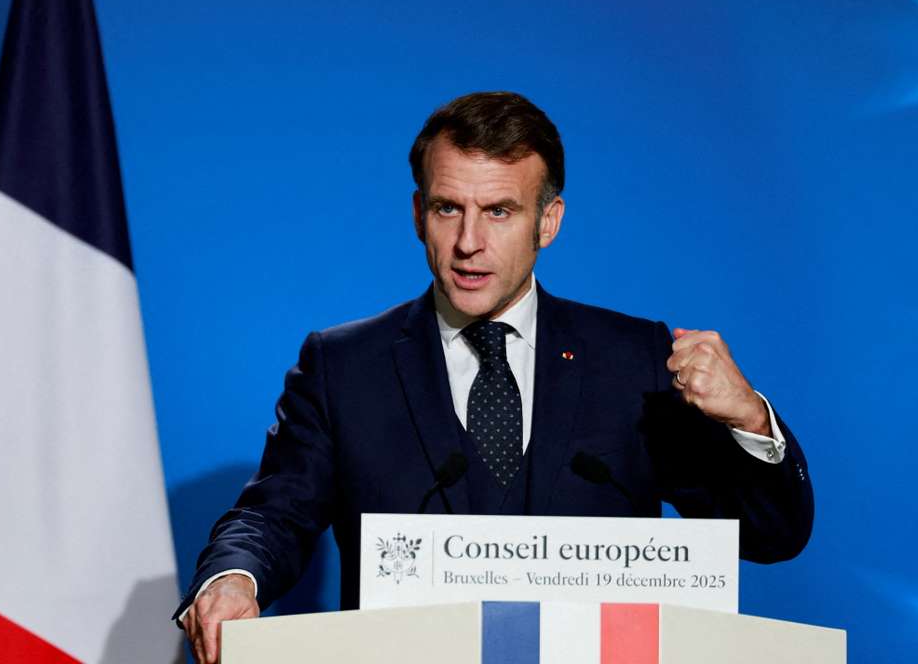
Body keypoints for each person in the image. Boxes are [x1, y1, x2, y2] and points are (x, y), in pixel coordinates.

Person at [174, 92, 814, 664]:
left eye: (500, 211)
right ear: (419, 214)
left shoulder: (634, 358)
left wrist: (751, 421)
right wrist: (232, 578)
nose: (469, 242)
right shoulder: (344, 366)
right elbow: (273, 515)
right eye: (449, 209)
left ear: (549, 222)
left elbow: (769, 535)